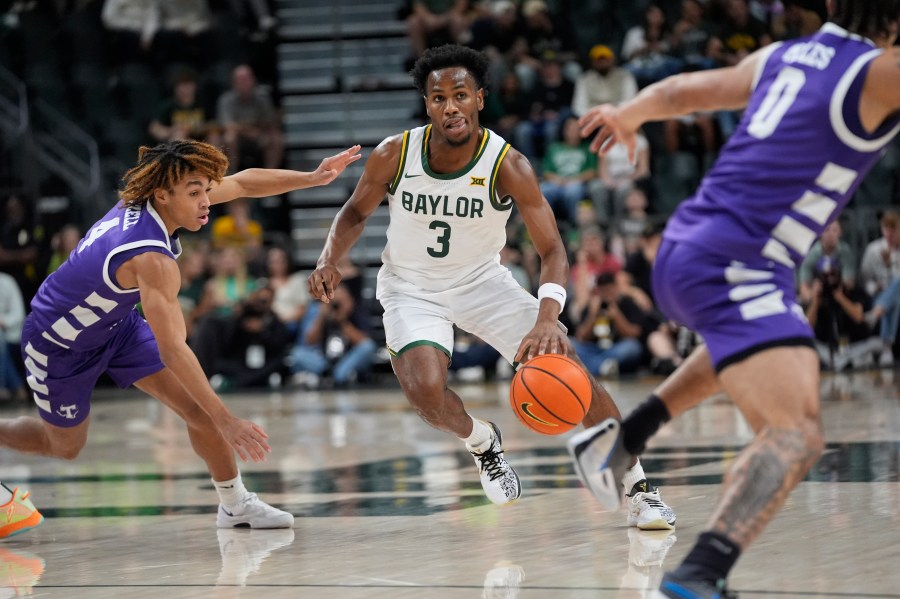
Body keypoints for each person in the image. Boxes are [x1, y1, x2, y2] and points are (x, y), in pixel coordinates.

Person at [569, 1, 900, 597]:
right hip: (735, 263)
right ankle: (699, 575)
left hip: (690, 248)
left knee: (755, 340)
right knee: (794, 434)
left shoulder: (783, 55)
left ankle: (626, 438)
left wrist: (627, 114)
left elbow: (680, 93)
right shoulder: (878, 71)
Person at [307, 44, 675, 530]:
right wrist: (330, 256)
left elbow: (553, 251)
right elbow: (354, 212)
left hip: (483, 282)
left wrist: (548, 318)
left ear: (479, 98)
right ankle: (482, 440)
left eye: (460, 95)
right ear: (427, 105)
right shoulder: (395, 154)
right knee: (426, 395)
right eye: (438, 98)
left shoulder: (508, 165)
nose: (450, 106)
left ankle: (638, 486)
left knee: (572, 373)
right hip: (409, 286)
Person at [0, 139, 361, 530]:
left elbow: (241, 184)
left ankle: (235, 504)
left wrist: (313, 177)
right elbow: (173, 348)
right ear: (163, 194)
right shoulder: (150, 256)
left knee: (198, 408)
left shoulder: (158, 196)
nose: (206, 200)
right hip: (59, 343)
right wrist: (227, 420)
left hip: (115, 327)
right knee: (65, 447)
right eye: (195, 193)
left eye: (205, 189)